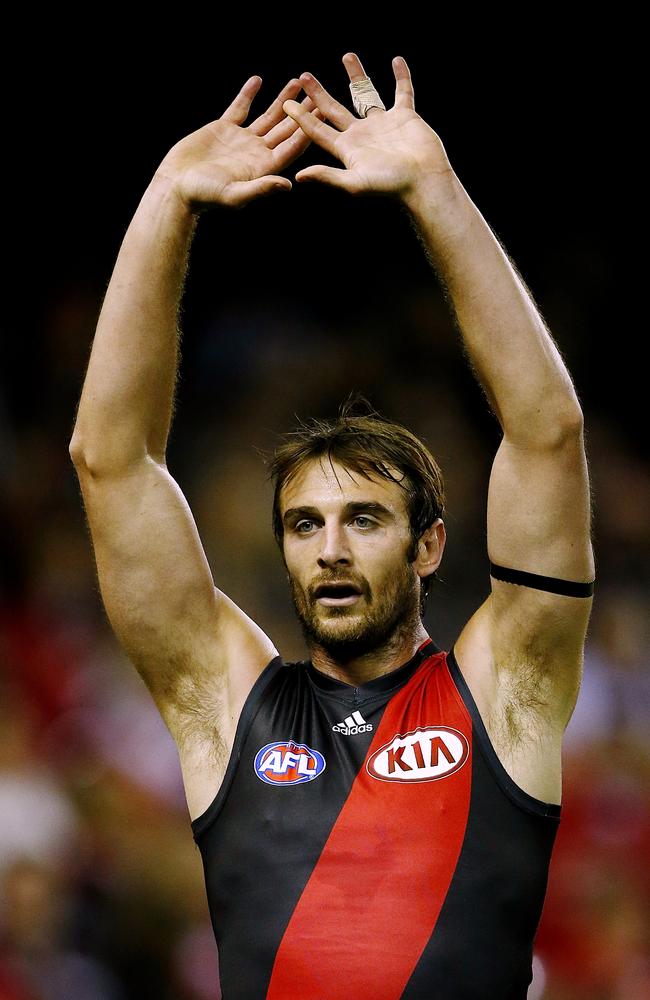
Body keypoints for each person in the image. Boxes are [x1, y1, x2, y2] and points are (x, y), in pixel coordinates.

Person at [69, 52, 596, 1000]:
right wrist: (166, 201)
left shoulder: (506, 689)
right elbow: (112, 462)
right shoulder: (226, 711)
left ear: (430, 544)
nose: (332, 549)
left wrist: (434, 189)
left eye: (364, 519)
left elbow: (547, 432)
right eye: (305, 525)